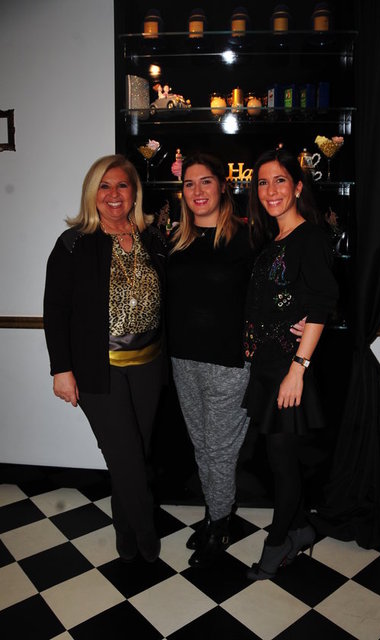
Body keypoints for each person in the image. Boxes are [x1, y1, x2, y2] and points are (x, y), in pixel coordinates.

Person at [166, 152, 305, 568]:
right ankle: (215, 512)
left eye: (206, 181)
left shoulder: (249, 239)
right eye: (189, 184)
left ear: (223, 186)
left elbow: (280, 285)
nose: (197, 191)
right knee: (201, 445)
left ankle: (219, 523)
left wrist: (298, 316)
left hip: (230, 363)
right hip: (183, 361)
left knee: (220, 450)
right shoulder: (176, 240)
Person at [43, 154, 167, 563]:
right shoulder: (73, 243)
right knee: (126, 455)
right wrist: (61, 370)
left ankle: (125, 532)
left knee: (132, 455)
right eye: (104, 186)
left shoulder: (153, 238)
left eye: (122, 185)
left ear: (134, 192)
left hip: (149, 365)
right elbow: (55, 310)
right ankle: (146, 535)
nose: (114, 194)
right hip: (99, 370)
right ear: (92, 193)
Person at [243, 147, 338, 580]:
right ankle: (300, 529)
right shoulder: (273, 240)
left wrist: (297, 369)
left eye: (280, 180)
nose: (270, 190)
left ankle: (278, 541)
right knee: (277, 460)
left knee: (283, 465)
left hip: (289, 368)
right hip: (268, 367)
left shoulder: (310, 237)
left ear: (298, 187)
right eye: (263, 182)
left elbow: (323, 302)